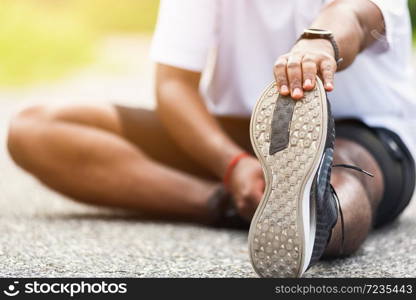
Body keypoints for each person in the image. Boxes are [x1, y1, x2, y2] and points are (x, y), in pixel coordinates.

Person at [6, 0, 416, 277]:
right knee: (35, 128)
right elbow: (173, 85)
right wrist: (232, 164)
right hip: (240, 130)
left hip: (361, 131)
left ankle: (314, 213)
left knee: (343, 181)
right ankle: (235, 203)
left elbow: (359, 16)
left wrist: (319, 42)